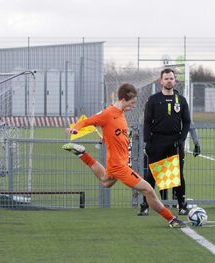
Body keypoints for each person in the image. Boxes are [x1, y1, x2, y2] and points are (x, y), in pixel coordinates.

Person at [62, 83, 185, 228]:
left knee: (105, 181)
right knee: (148, 189)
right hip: (118, 166)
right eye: (132, 103)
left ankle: (82, 154)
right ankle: (171, 219)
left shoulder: (120, 114)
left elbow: (117, 135)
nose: (133, 106)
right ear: (123, 99)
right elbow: (86, 121)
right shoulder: (108, 114)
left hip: (119, 162)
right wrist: (75, 129)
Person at [139, 69, 191, 216]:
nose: (169, 81)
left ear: (175, 81)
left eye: (171, 78)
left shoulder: (180, 100)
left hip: (175, 141)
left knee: (178, 174)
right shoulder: (153, 100)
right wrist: (147, 141)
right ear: (161, 81)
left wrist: (181, 139)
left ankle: (182, 205)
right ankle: (145, 205)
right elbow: (147, 122)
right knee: (152, 175)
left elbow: (186, 122)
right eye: (166, 78)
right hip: (157, 141)